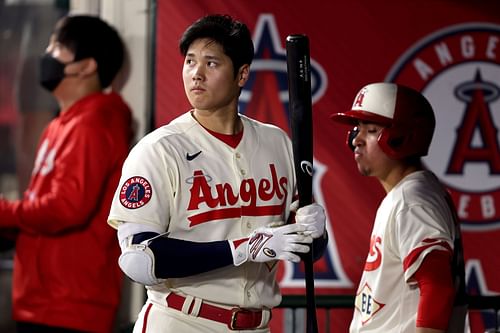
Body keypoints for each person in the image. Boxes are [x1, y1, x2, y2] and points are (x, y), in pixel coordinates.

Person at [107, 14, 328, 333]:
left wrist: (314, 233)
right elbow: (139, 260)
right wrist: (241, 249)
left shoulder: (276, 142)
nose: (196, 74)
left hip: (258, 324)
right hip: (182, 320)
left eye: (211, 63)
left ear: (242, 74)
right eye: (190, 61)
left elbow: (304, 248)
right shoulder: (159, 149)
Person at [0, 15, 133, 333]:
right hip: (43, 302)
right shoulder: (63, 123)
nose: (47, 55)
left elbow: (66, 207)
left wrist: (5, 212)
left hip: (70, 307)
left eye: (57, 47)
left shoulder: (93, 123)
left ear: (86, 66)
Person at [330, 82, 467, 333]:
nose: (356, 139)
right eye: (356, 129)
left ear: (403, 137)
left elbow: (437, 287)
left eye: (370, 129)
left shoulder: (412, 200)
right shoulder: (407, 194)